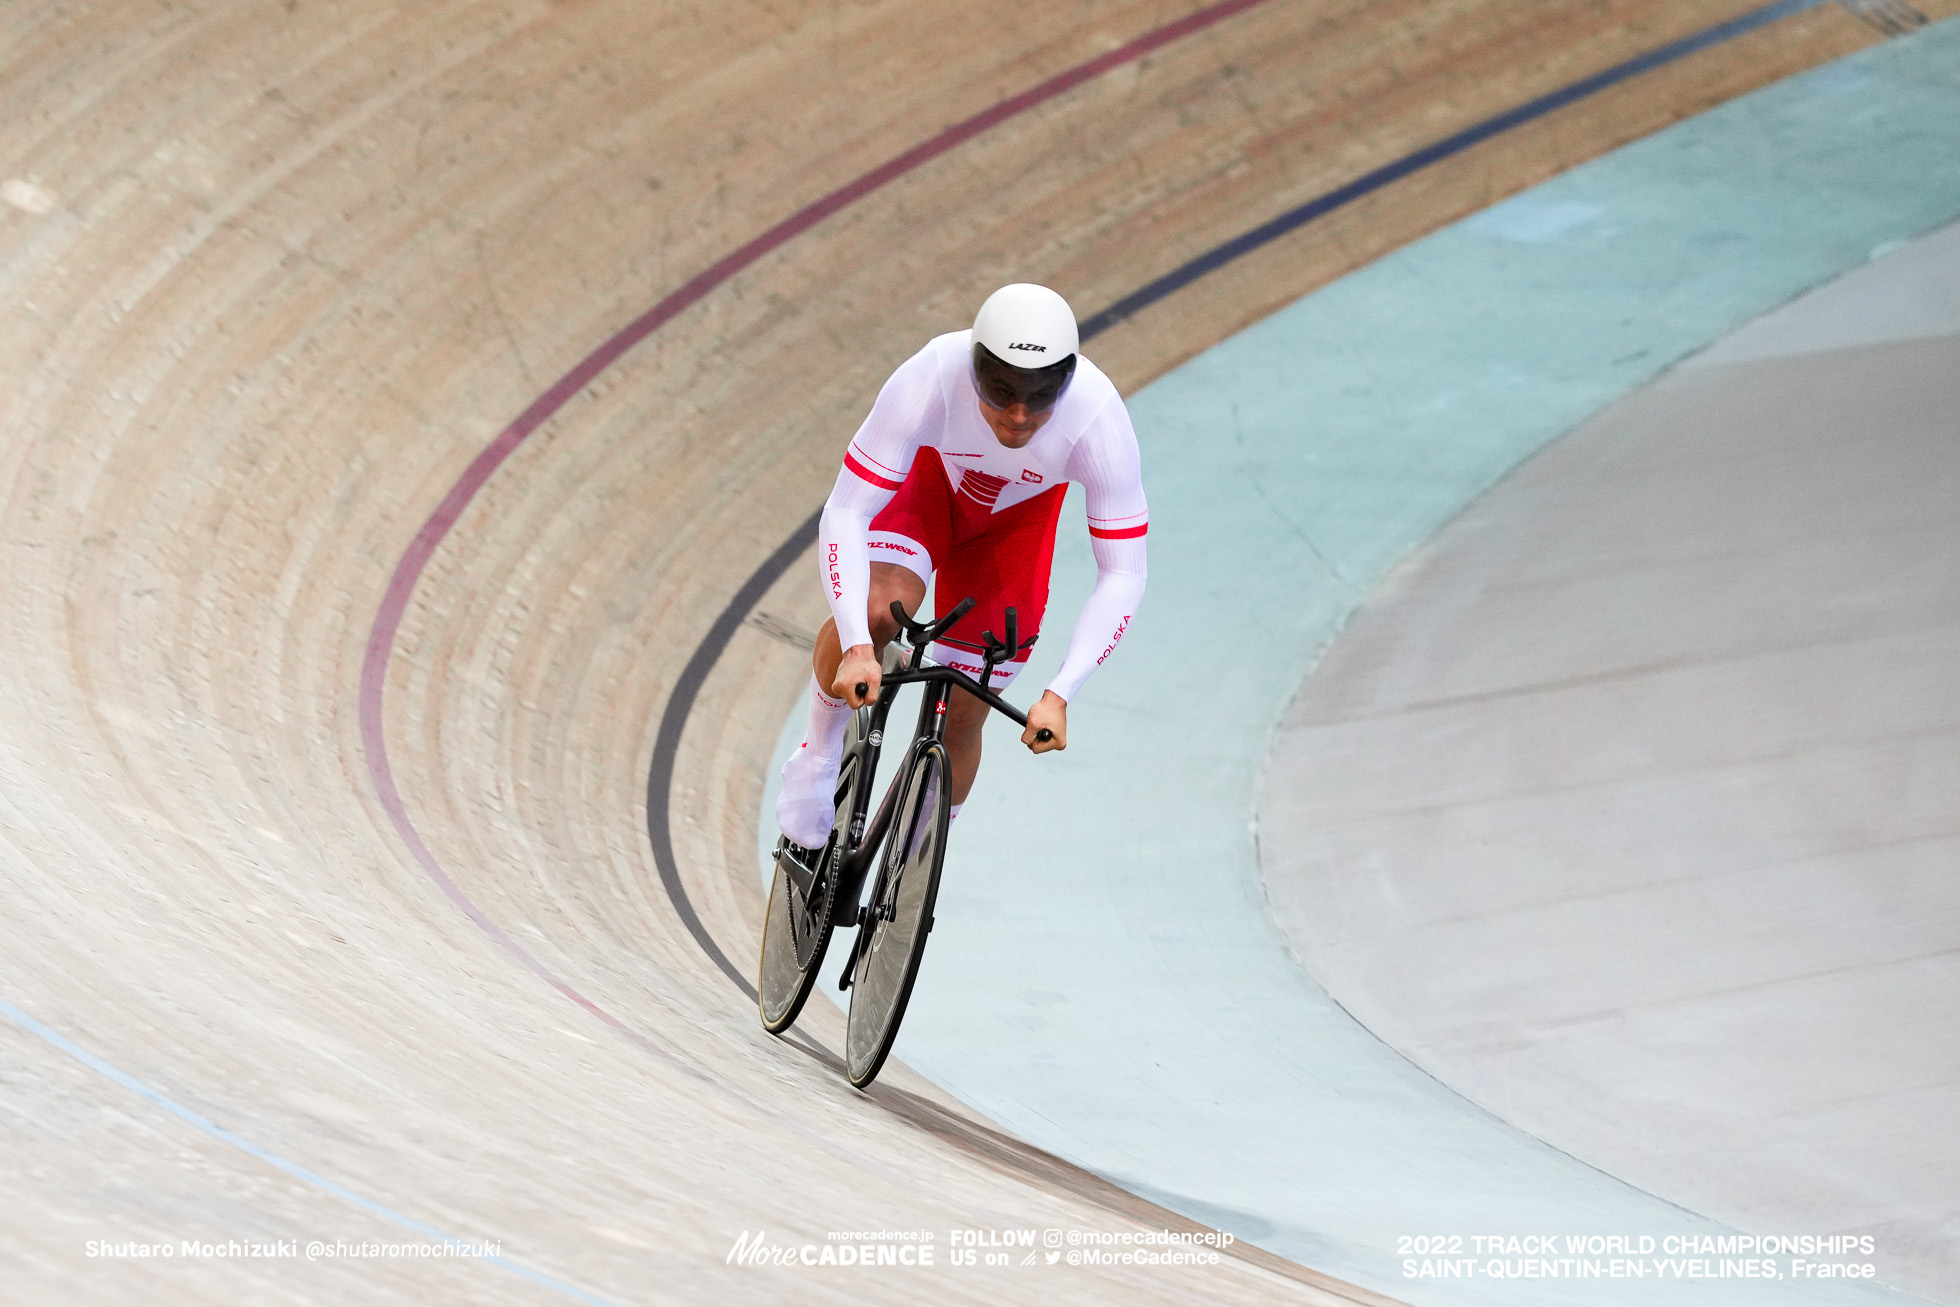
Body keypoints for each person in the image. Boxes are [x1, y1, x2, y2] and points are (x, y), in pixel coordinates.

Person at [775, 283, 1148, 856]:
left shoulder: (1099, 421)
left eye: (1039, 398)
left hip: (1013, 526)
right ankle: (819, 755)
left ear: (1067, 382)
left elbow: (1122, 574)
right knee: (878, 611)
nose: (1019, 417)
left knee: (969, 703)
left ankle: (911, 860)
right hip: (930, 489)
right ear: (974, 369)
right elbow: (847, 510)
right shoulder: (930, 376)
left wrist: (1061, 692)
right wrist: (855, 646)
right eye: (1000, 394)